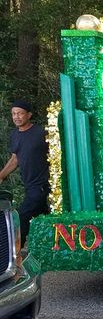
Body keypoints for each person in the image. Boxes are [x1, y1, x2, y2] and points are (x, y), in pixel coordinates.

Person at [0, 100, 50, 247]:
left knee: (21, 217)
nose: (16, 117)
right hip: (29, 186)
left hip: (41, 185)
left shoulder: (41, 133)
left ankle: (13, 255)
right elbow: (15, 159)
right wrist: (1, 175)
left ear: (29, 115)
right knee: (43, 218)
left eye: (20, 113)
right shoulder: (15, 135)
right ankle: (47, 250)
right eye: (14, 113)